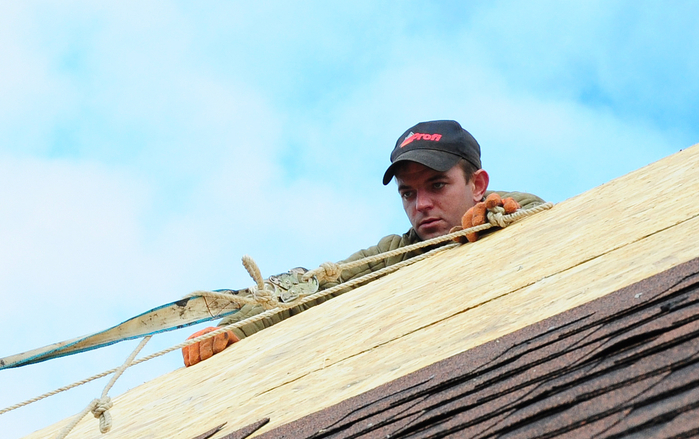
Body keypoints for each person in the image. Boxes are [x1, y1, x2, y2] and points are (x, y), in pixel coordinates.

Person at [183, 120, 546, 365]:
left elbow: (539, 215)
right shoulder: (393, 253)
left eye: (437, 186)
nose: (421, 205)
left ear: (478, 185)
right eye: (408, 193)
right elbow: (315, 288)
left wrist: (498, 218)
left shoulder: (511, 209)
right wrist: (234, 330)